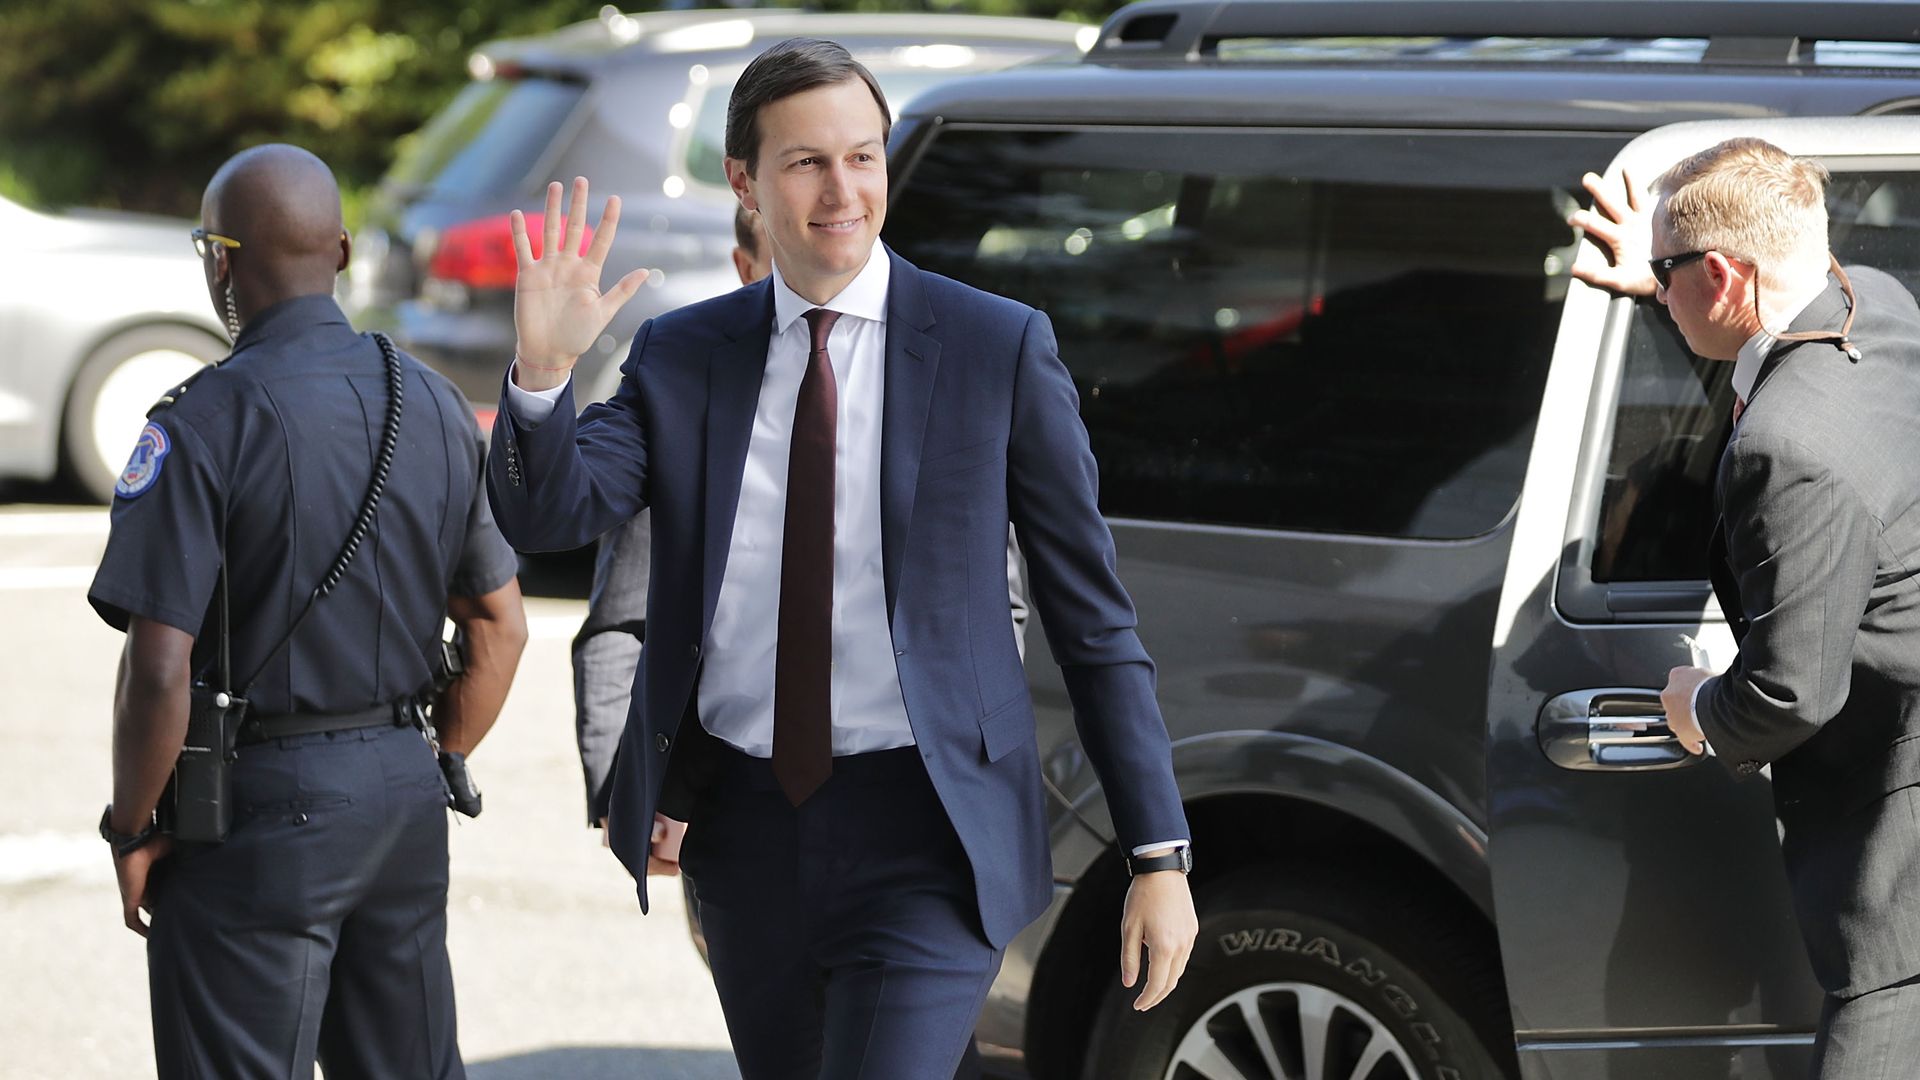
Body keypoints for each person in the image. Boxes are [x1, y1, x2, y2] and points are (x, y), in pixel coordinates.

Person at [488, 38, 1197, 1079]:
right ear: (745, 182)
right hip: (747, 832)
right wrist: (544, 375)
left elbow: (1091, 618)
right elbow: (551, 514)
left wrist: (1157, 853)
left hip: (932, 829)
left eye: (863, 157)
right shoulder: (683, 355)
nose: (842, 191)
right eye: (807, 162)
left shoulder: (995, 348)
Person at [89, 144, 527, 1079]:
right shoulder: (435, 402)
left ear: (221, 263)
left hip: (256, 808)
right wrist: (438, 757)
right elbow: (501, 626)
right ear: (343, 251)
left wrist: (131, 827)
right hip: (404, 794)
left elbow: (159, 669)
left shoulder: (200, 421)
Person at [1576, 138, 1920, 1078]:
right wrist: (1662, 287)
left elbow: (1787, 695)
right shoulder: (1877, 302)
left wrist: (1696, 710)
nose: (1658, 287)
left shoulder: (1788, 448)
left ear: (1724, 275)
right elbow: (1774, 354)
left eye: (1666, 271)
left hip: (1898, 869)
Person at [576, 205, 1032, 874]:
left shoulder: (933, 382)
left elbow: (1001, 603)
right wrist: (631, 789)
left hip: (913, 800)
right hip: (733, 800)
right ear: (745, 268)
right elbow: (622, 621)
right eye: (788, 259)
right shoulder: (688, 396)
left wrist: (968, 744)